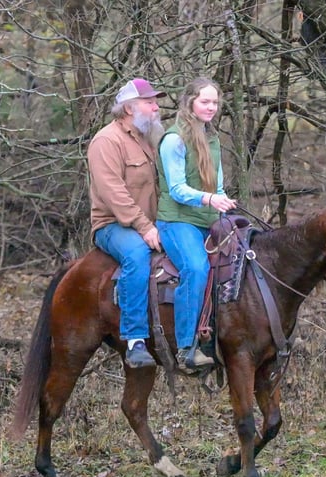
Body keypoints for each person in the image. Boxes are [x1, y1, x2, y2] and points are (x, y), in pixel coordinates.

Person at [156, 77, 237, 370]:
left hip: (208, 217)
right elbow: (177, 189)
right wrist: (210, 199)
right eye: (205, 101)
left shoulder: (212, 138)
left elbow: (218, 186)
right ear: (190, 102)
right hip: (177, 220)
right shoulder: (174, 139)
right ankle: (186, 347)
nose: (211, 107)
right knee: (196, 268)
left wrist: (223, 202)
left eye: (215, 102)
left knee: (244, 259)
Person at [88, 78, 167, 369]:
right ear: (129, 108)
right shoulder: (106, 141)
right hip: (112, 225)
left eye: (155, 102)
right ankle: (135, 340)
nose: (156, 107)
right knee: (137, 254)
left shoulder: (147, 139)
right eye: (150, 102)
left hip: (151, 222)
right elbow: (114, 194)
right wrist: (144, 227)